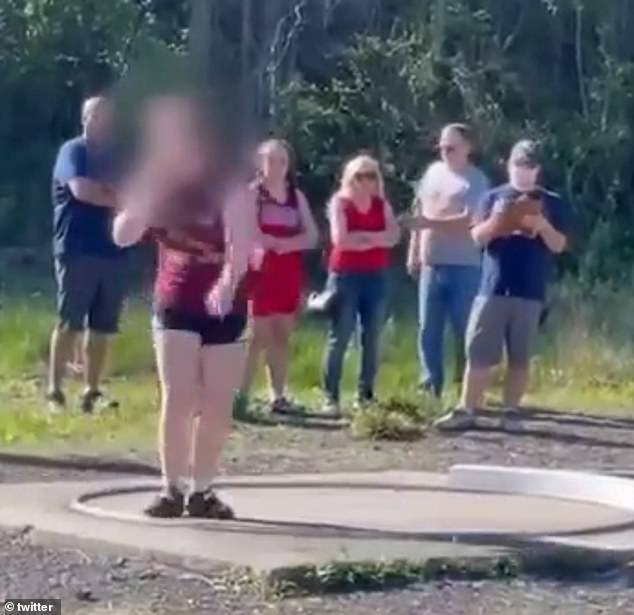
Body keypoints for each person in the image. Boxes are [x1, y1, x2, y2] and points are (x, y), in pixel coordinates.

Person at [113, 96, 256, 518]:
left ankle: (203, 489)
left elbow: (242, 242)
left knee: (216, 401)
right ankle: (170, 488)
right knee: (178, 396)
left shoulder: (229, 185)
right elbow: (123, 234)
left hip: (223, 302)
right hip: (175, 298)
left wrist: (228, 283)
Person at [435, 140, 568, 432]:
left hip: (530, 289)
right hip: (494, 286)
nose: (524, 172)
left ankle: (511, 412)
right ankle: (467, 408)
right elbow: (477, 238)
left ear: (537, 170)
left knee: (520, 355)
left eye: (530, 166)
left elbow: (559, 245)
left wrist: (542, 225)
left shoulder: (552, 201)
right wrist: (499, 221)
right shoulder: (492, 197)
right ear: (509, 166)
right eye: (520, 165)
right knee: (478, 351)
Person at [47, 96, 126, 414]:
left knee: (103, 326)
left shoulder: (117, 158)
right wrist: (115, 196)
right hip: (77, 248)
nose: (101, 121)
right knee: (70, 321)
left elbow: (133, 193)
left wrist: (114, 195)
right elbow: (82, 190)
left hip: (113, 250)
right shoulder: (74, 151)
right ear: (85, 118)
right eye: (96, 115)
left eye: (107, 116)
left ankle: (91, 391)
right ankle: (54, 391)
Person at [407, 124, 490, 398]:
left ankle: (466, 390)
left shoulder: (476, 181)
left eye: (451, 147)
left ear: (468, 147)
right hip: (432, 262)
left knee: (465, 329)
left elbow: (470, 220)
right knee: (428, 328)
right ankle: (430, 387)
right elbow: (419, 212)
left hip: (464, 265)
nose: (445, 152)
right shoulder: (432, 174)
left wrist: (430, 223)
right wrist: (414, 250)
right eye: (442, 147)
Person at [240, 139, 318, 414]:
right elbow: (246, 231)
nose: (276, 166)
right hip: (260, 272)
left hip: (288, 271)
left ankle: (279, 396)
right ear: (259, 164)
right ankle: (241, 396)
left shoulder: (297, 197)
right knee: (256, 335)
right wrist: (268, 242)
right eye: (270, 160)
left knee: (282, 335)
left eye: (282, 161)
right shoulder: (252, 194)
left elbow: (311, 236)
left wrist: (288, 244)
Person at [322, 154, 400, 416]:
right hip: (345, 275)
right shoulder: (340, 203)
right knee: (340, 336)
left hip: (375, 275)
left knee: (372, 337)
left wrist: (365, 237)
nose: (365, 181)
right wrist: (375, 238)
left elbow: (394, 237)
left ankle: (365, 395)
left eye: (371, 176)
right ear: (349, 177)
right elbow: (341, 239)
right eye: (359, 176)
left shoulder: (381, 205)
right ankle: (330, 397)